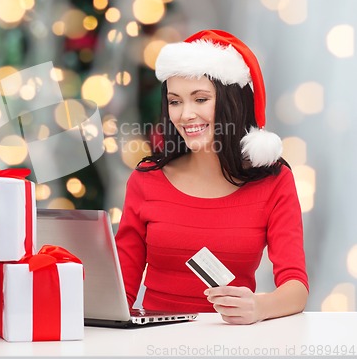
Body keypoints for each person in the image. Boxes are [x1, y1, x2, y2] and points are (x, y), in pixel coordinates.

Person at [115, 29, 309, 325]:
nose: (185, 114)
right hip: (153, 344)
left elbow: (295, 288)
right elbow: (121, 291)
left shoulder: (274, 181)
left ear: (233, 103)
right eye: (175, 101)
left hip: (231, 344)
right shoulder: (146, 180)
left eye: (200, 99)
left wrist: (260, 307)